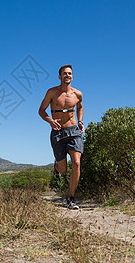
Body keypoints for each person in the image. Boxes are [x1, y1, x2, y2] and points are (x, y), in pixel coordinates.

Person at [38, 64, 85, 210]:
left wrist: (80, 121)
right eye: (65, 74)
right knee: (64, 170)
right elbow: (41, 110)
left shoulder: (77, 94)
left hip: (74, 132)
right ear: (59, 76)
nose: (67, 76)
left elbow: (80, 107)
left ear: (72, 76)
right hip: (58, 133)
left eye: (70, 73)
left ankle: (71, 198)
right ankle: (57, 167)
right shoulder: (52, 92)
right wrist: (50, 121)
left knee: (76, 163)